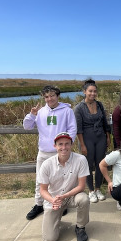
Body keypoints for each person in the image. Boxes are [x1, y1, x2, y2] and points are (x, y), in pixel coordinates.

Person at [23, 85, 77, 220]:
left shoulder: (67, 111)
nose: (49, 99)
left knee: (60, 180)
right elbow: (27, 126)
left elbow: (72, 129)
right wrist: (31, 115)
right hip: (43, 151)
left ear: (57, 96)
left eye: (52, 95)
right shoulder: (40, 112)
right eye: (46, 97)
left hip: (59, 152)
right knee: (40, 179)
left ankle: (60, 204)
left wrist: (66, 147)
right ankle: (38, 204)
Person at [39, 132, 90, 241]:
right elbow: (42, 190)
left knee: (84, 199)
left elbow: (81, 186)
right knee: (49, 240)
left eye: (67, 144)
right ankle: (56, 220)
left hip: (72, 196)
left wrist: (64, 196)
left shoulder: (81, 160)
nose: (64, 147)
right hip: (54, 200)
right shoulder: (46, 164)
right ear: (55, 146)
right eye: (60, 144)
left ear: (71, 145)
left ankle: (80, 227)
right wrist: (53, 200)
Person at [74, 79, 111, 203]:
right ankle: (90, 190)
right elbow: (78, 128)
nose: (93, 93)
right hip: (87, 138)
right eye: (90, 91)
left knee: (101, 163)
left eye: (95, 91)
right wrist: (82, 145)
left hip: (100, 137)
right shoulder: (79, 108)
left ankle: (98, 189)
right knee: (88, 165)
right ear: (84, 92)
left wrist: (107, 136)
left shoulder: (99, 105)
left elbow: (105, 122)